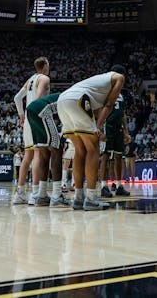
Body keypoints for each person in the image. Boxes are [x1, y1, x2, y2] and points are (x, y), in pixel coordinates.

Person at [57, 65, 126, 210]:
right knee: (93, 149)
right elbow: (109, 104)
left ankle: (78, 197)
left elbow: (94, 109)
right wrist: (98, 127)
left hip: (62, 100)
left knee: (80, 150)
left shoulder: (98, 82)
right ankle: (91, 198)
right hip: (78, 99)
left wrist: (95, 125)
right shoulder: (119, 77)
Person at [12, 58, 50, 204]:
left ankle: (20, 193)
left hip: (28, 119)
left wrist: (22, 115)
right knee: (38, 155)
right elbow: (38, 100)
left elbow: (17, 98)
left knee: (28, 156)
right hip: (37, 117)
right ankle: (35, 193)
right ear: (45, 65)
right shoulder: (44, 78)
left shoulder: (30, 80)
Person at [24, 92, 70, 206]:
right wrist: (63, 139)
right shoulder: (73, 98)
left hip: (31, 110)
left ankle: (42, 195)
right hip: (42, 111)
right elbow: (68, 122)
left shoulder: (64, 95)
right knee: (57, 149)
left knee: (44, 152)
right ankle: (57, 196)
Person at [100, 93, 129, 198]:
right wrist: (99, 128)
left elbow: (123, 114)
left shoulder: (121, 96)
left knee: (119, 156)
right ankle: (103, 186)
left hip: (119, 128)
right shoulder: (104, 92)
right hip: (107, 126)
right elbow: (99, 110)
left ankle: (119, 186)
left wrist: (126, 131)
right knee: (105, 156)